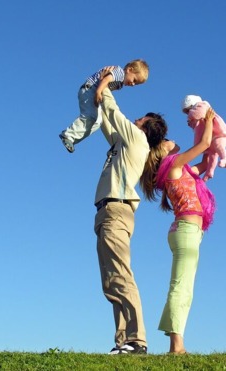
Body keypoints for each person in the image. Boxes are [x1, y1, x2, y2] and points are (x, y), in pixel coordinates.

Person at [94, 87, 167, 355]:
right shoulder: (123, 144)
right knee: (111, 280)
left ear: (145, 129)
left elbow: (114, 112)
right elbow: (107, 121)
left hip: (116, 210)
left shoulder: (137, 139)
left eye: (140, 121)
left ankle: (138, 340)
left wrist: (106, 86)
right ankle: (124, 341)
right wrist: (97, 102)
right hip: (106, 211)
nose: (135, 121)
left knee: (121, 275)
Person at [140, 107, 217, 354]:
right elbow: (204, 144)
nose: (170, 142)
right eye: (165, 142)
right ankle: (176, 346)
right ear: (162, 152)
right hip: (185, 231)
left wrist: (217, 141)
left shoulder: (181, 170)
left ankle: (176, 342)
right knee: (181, 287)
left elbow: (204, 161)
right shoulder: (174, 166)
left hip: (187, 232)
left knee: (183, 286)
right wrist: (207, 120)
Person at [59, 59, 149, 153]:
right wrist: (98, 91)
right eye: (134, 80)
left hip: (92, 91)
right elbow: (106, 79)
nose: (133, 84)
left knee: (97, 122)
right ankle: (68, 135)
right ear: (129, 70)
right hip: (90, 90)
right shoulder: (120, 73)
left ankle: (72, 139)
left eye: (136, 84)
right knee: (89, 116)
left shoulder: (120, 83)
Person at [182, 95, 226, 181]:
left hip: (219, 134)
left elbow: (199, 113)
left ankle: (225, 159)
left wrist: (191, 117)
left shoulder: (202, 105)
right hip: (211, 138)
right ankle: (209, 172)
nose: (189, 113)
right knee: (212, 156)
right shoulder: (197, 117)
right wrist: (192, 123)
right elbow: (198, 126)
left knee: (219, 145)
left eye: (189, 110)